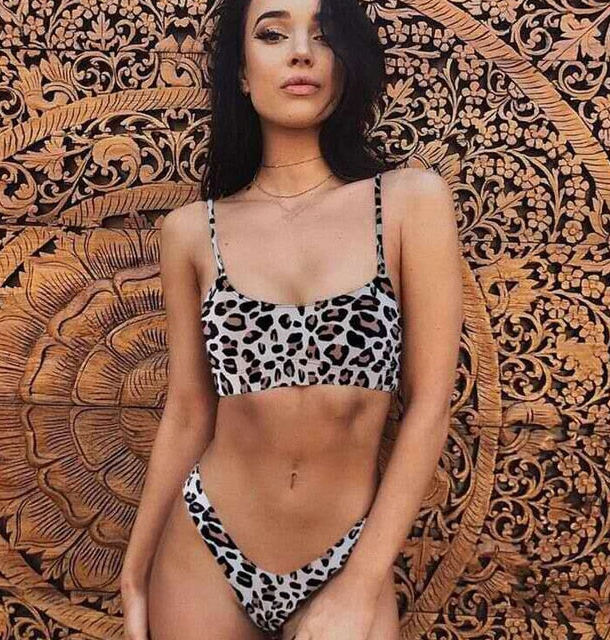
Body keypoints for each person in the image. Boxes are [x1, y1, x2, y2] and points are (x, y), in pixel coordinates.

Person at [121, 0, 463, 638]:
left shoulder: (409, 203)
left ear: (345, 66)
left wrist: (360, 586)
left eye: (323, 36)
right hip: (204, 549)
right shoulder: (192, 231)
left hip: (348, 558)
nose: (301, 51)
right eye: (274, 33)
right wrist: (134, 573)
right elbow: (189, 411)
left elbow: (430, 405)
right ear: (242, 73)